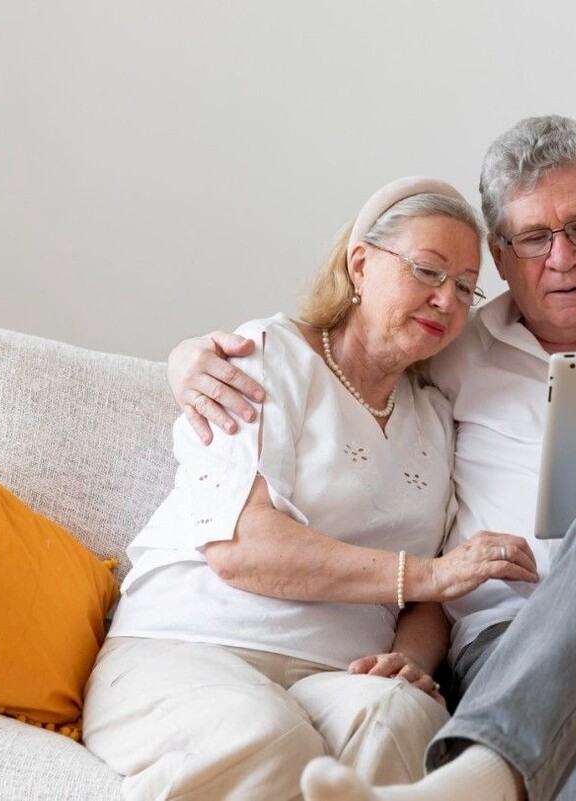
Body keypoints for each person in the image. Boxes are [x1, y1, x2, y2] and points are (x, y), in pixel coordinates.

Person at [169, 117, 576, 801]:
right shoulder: (451, 349)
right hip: (509, 646)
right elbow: (345, 348)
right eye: (534, 238)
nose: (562, 257)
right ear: (502, 256)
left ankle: (478, 773)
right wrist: (188, 360)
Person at [82, 176, 539, 801]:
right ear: (361, 264)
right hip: (191, 647)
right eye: (427, 271)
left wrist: (410, 659)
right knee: (269, 739)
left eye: (465, 287)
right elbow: (241, 546)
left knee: (400, 718)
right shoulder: (267, 356)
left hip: (338, 672)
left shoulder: (436, 417)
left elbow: (431, 600)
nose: (446, 300)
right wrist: (429, 575)